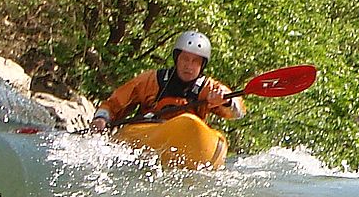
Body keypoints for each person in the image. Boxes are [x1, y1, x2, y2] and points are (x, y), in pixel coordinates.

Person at [90, 31, 246, 133]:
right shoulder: (151, 80)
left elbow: (238, 111)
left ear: (202, 65)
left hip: (188, 137)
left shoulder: (209, 88)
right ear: (176, 58)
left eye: (195, 61)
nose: (189, 66)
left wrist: (225, 101)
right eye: (185, 59)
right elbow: (114, 103)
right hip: (149, 133)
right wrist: (102, 118)